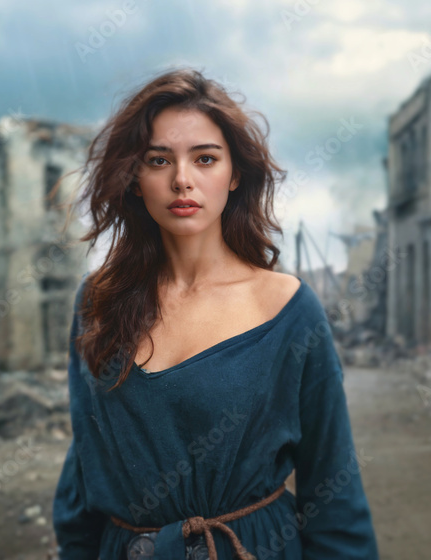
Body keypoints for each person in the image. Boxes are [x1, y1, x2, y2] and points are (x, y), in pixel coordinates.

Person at [51, 67, 378, 560]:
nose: (182, 180)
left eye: (205, 158)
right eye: (159, 160)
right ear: (136, 179)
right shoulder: (97, 300)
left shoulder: (287, 308)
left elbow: (333, 491)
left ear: (235, 174)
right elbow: (84, 467)